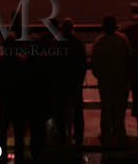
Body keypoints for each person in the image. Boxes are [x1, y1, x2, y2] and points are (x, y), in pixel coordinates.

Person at [91, 15, 131, 147]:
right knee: (119, 110)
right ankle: (120, 134)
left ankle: (106, 135)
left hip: (106, 81)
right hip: (120, 81)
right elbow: (128, 60)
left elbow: (95, 65)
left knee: (106, 109)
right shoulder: (123, 40)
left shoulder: (99, 42)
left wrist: (101, 76)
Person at [53, 18, 87, 147]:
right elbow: (82, 64)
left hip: (61, 82)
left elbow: (54, 65)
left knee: (60, 112)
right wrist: (79, 80)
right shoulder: (78, 43)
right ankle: (79, 137)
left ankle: (61, 136)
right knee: (78, 111)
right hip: (75, 82)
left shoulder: (57, 44)